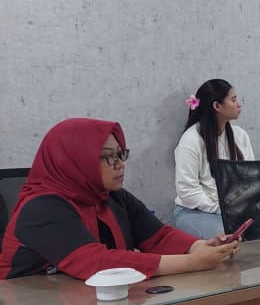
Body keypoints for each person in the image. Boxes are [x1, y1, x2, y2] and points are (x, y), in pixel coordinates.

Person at [0, 119, 238, 280]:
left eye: (121, 154)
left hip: (89, 303)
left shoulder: (111, 195)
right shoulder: (41, 207)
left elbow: (158, 236)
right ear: (74, 161)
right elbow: (95, 263)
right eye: (108, 157)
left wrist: (199, 246)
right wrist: (193, 262)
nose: (120, 164)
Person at [173, 79, 256, 239]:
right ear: (217, 106)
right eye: (233, 100)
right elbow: (187, 191)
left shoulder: (240, 135)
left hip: (234, 210)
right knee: (227, 237)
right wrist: (223, 209)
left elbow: (251, 178)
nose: (239, 104)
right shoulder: (191, 140)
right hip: (194, 211)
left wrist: (244, 206)